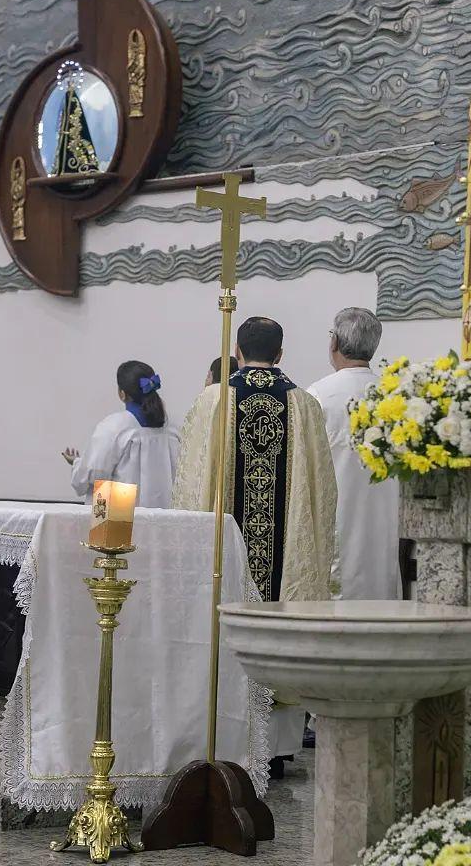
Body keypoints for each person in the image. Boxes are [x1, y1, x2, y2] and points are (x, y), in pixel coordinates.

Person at [173, 317, 337, 767]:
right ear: (280, 353)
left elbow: (191, 483)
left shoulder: (214, 400)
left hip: (226, 552)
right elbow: (321, 492)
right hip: (286, 558)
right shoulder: (303, 405)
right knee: (277, 620)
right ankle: (277, 752)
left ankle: (223, 741)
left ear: (238, 353)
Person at [308, 307, 400, 600]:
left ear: (333, 343)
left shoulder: (318, 395)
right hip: (385, 520)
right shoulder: (394, 396)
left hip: (337, 516)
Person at [63, 361, 180, 509]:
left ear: (122, 394)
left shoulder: (114, 426)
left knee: (116, 526)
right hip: (163, 514)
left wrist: (77, 464)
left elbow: (91, 474)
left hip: (118, 515)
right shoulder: (172, 427)